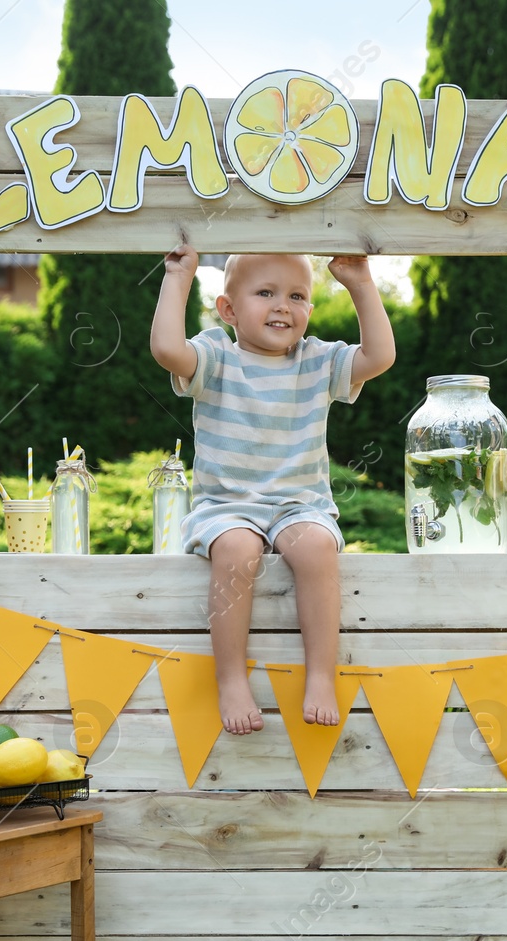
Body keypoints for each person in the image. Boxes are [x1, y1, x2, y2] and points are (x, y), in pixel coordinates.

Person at [150, 244, 395, 735]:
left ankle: (321, 676)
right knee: (238, 549)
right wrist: (178, 277)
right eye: (266, 292)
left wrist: (361, 283)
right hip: (226, 507)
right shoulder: (216, 356)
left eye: (298, 296)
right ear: (229, 309)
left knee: (318, 547)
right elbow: (166, 350)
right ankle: (231, 679)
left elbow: (380, 356)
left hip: (298, 506)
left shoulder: (317, 361)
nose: (284, 305)